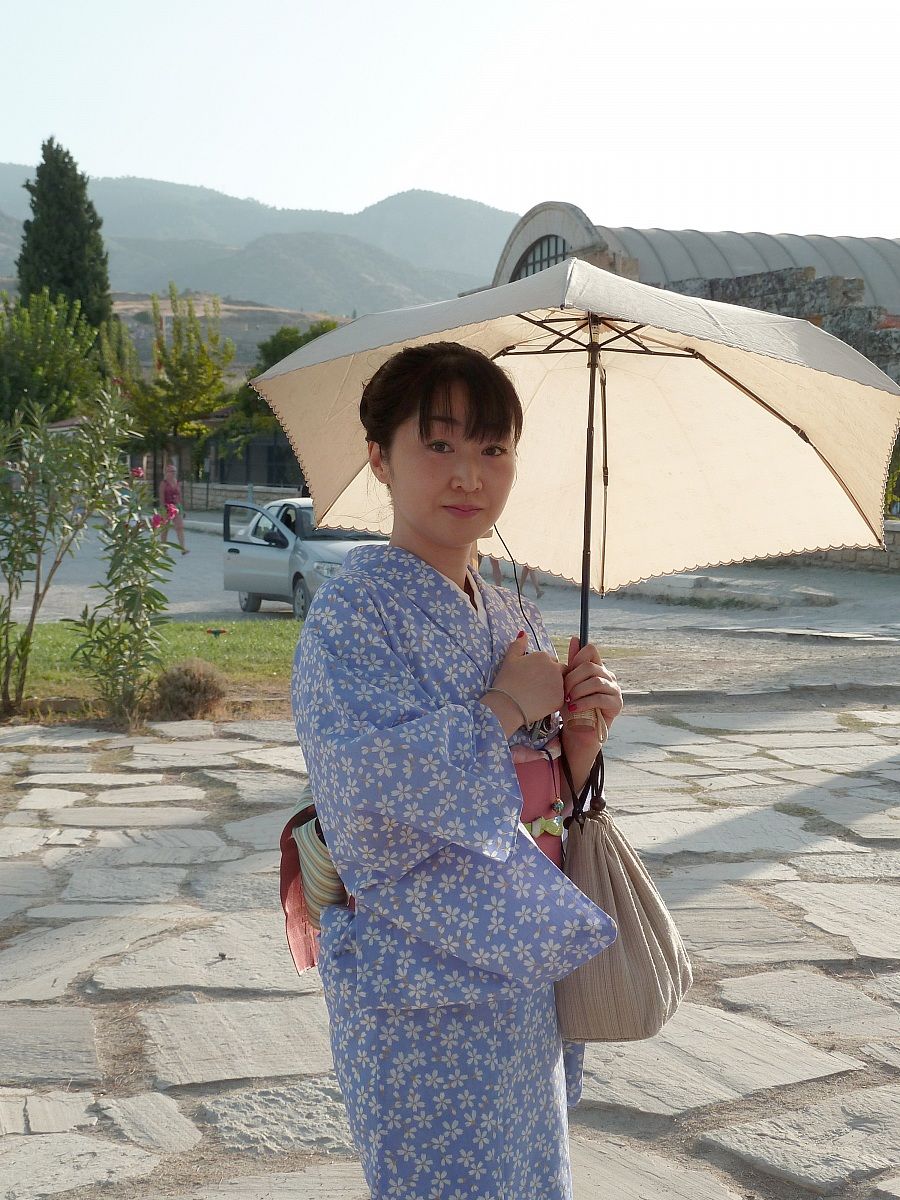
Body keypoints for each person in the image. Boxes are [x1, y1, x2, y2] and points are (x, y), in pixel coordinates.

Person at [292, 342, 624, 1199]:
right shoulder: (354, 608)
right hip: (420, 967)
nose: (468, 474)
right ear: (380, 457)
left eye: (492, 447)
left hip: (522, 956)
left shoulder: (512, 610)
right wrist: (507, 708)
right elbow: (367, 785)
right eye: (438, 445)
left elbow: (548, 795)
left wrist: (580, 742)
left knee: (530, 1171)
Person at [158, 462, 188, 554]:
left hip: (176, 507)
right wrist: (162, 509)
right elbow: (161, 497)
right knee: (165, 529)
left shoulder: (177, 482)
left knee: (180, 527)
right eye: (171, 471)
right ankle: (163, 549)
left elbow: (180, 496)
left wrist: (183, 509)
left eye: (174, 471)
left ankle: (183, 548)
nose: (174, 473)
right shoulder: (164, 483)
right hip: (166, 507)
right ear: (166, 472)